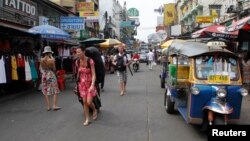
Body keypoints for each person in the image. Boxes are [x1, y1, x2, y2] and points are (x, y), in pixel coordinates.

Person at [76, 46, 98, 126]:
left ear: (84, 52)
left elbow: (93, 74)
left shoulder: (90, 61)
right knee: (84, 102)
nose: (77, 54)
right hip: (82, 85)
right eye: (76, 52)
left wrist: (92, 85)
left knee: (88, 102)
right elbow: (78, 74)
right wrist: (76, 84)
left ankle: (94, 109)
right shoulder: (77, 62)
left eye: (79, 52)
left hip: (90, 85)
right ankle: (87, 119)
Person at [40, 46, 61, 111]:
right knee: (55, 90)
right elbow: (54, 69)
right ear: (50, 53)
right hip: (50, 74)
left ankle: (48, 106)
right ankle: (54, 105)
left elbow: (40, 69)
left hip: (44, 75)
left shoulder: (41, 59)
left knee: (45, 90)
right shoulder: (52, 60)